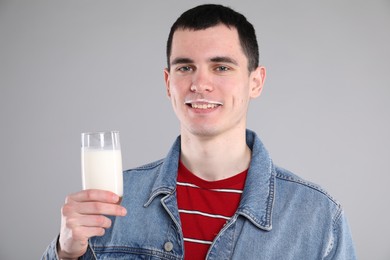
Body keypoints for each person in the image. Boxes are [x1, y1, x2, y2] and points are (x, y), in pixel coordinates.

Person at [43, 4, 356, 259]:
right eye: (185, 67)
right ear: (168, 83)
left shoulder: (319, 217)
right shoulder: (111, 203)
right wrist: (66, 253)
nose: (199, 83)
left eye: (221, 67)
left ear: (256, 82)